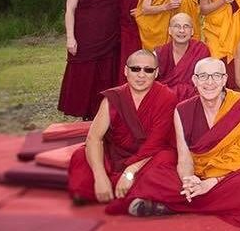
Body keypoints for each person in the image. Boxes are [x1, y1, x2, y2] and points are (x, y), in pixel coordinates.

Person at [121, 58, 240, 227]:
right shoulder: (182, 110)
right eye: (203, 76)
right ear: (194, 80)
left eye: (216, 76)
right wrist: (188, 180)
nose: (210, 82)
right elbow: (184, 157)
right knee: (154, 175)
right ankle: (205, 200)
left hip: (231, 174)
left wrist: (210, 183)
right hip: (199, 172)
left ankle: (175, 204)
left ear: (224, 79)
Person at [67, 50, 177, 210]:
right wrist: (100, 176)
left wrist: (130, 172)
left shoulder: (167, 97)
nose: (141, 75)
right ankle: (139, 194)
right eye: (135, 69)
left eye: (148, 70)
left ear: (156, 72)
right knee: (80, 155)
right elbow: (93, 138)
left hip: (148, 159)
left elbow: (156, 144)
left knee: (167, 158)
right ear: (126, 70)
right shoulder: (113, 98)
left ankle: (120, 192)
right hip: (116, 157)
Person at [59, 0, 121, 119]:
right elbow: (70, 10)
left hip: (109, 37)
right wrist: (70, 37)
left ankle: (101, 114)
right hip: (85, 36)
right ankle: (83, 113)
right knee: (84, 76)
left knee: (105, 76)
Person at [155, 13, 210, 102]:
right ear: (169, 30)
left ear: (192, 31)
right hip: (165, 100)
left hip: (194, 100)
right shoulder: (159, 53)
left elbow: (205, 80)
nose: (181, 30)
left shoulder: (201, 50)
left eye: (186, 26)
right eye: (177, 26)